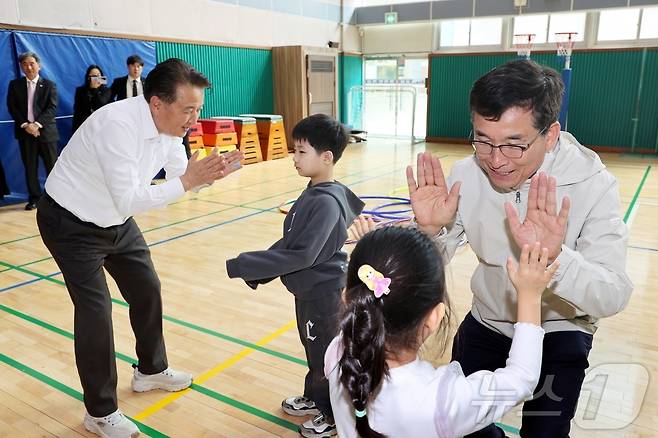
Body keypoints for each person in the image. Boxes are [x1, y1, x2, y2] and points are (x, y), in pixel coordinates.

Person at [406, 59, 633, 437]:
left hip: (559, 331)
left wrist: (556, 258)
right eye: (483, 139)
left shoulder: (594, 184)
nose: (496, 160)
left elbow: (612, 294)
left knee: (545, 433)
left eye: (514, 144)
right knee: (461, 428)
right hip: (488, 322)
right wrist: (430, 232)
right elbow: (427, 271)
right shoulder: (467, 173)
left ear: (551, 134)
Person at [36, 58, 243, 438]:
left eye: (198, 110)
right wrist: (189, 181)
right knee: (96, 310)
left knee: (147, 288)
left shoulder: (170, 127)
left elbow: (183, 175)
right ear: (157, 104)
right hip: (70, 222)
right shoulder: (117, 126)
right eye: (188, 110)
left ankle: (150, 370)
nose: (194, 120)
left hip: (114, 218)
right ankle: (99, 412)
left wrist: (211, 174)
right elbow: (131, 198)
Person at [325, 226, 558, 437]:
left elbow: (365, 305)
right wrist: (530, 295)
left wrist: (372, 254)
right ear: (435, 317)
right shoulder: (443, 402)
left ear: (348, 300)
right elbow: (521, 378)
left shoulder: (337, 353)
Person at [226, 114, 364, 438]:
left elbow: (302, 255)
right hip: (308, 289)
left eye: (302, 152)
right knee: (313, 348)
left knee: (326, 353)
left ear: (326, 157)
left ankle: (332, 415)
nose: (294, 158)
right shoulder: (313, 191)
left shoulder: (327, 203)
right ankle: (316, 397)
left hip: (323, 294)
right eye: (294, 150)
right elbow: (292, 242)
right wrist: (260, 273)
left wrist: (247, 265)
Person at [6, 51, 59, 210]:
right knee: (30, 167)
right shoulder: (15, 85)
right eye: (25, 64)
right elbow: (12, 107)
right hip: (25, 133)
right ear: (21, 67)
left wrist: (36, 125)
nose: (29, 67)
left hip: (46, 132)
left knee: (52, 167)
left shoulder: (49, 85)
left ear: (39, 65)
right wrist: (26, 125)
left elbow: (52, 108)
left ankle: (55, 199)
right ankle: (35, 198)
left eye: (32, 63)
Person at [72, 64, 112, 132]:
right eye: (94, 76)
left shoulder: (106, 90)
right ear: (88, 77)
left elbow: (100, 104)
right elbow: (77, 111)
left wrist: (95, 89)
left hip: (101, 126)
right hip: (84, 126)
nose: (96, 78)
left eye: (98, 75)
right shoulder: (80, 91)